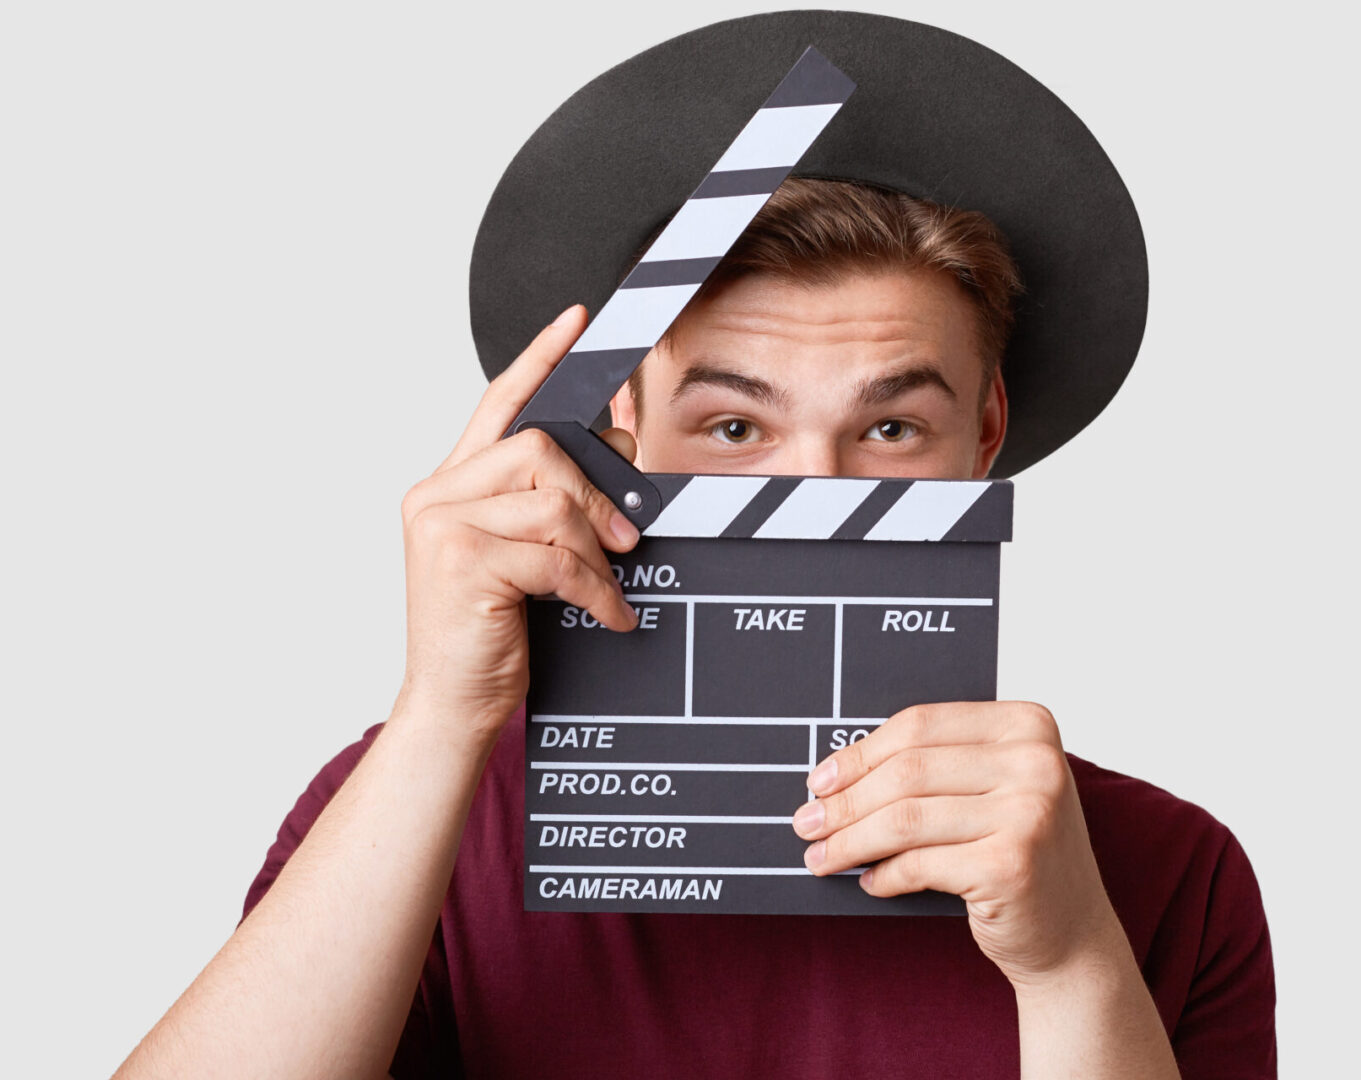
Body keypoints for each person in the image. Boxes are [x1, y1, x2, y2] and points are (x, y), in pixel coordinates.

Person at [114, 13, 1276, 1079]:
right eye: (732, 426)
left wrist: (1071, 962)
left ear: (984, 438)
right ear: (620, 427)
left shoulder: (1165, 874)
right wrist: (439, 717)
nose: (811, 493)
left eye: (888, 428)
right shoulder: (420, 817)